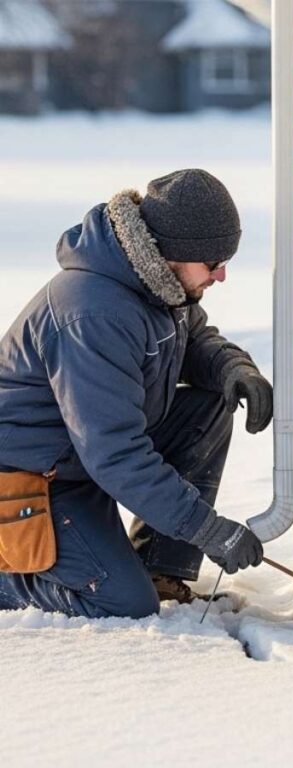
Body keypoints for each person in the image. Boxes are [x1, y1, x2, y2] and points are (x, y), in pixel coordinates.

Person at [0, 169, 270, 619]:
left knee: (209, 404)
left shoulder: (156, 282)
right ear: (171, 253)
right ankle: (9, 576)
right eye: (213, 261)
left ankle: (159, 569)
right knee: (122, 602)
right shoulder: (93, 314)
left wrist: (232, 368)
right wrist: (209, 530)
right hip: (35, 479)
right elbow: (116, 455)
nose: (221, 274)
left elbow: (194, 337)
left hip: (81, 459)